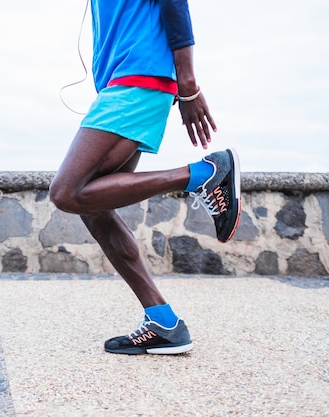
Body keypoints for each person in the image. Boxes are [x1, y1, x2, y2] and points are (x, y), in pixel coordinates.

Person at [49, 0, 241, 355]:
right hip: (125, 84)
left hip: (137, 80)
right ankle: (163, 322)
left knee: (67, 192)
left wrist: (189, 85)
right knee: (95, 209)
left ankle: (202, 174)